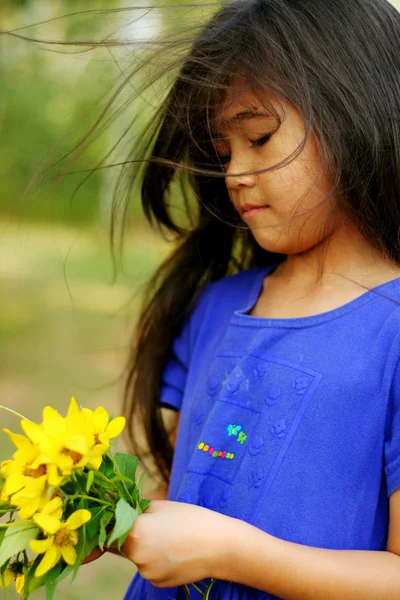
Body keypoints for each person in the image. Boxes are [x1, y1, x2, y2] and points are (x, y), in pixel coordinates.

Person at [88, 0, 400, 597]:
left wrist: (233, 554)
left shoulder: (390, 332)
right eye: (224, 150)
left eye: (259, 138)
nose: (234, 173)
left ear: (356, 115)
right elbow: (194, 489)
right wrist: (100, 514)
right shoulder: (215, 309)